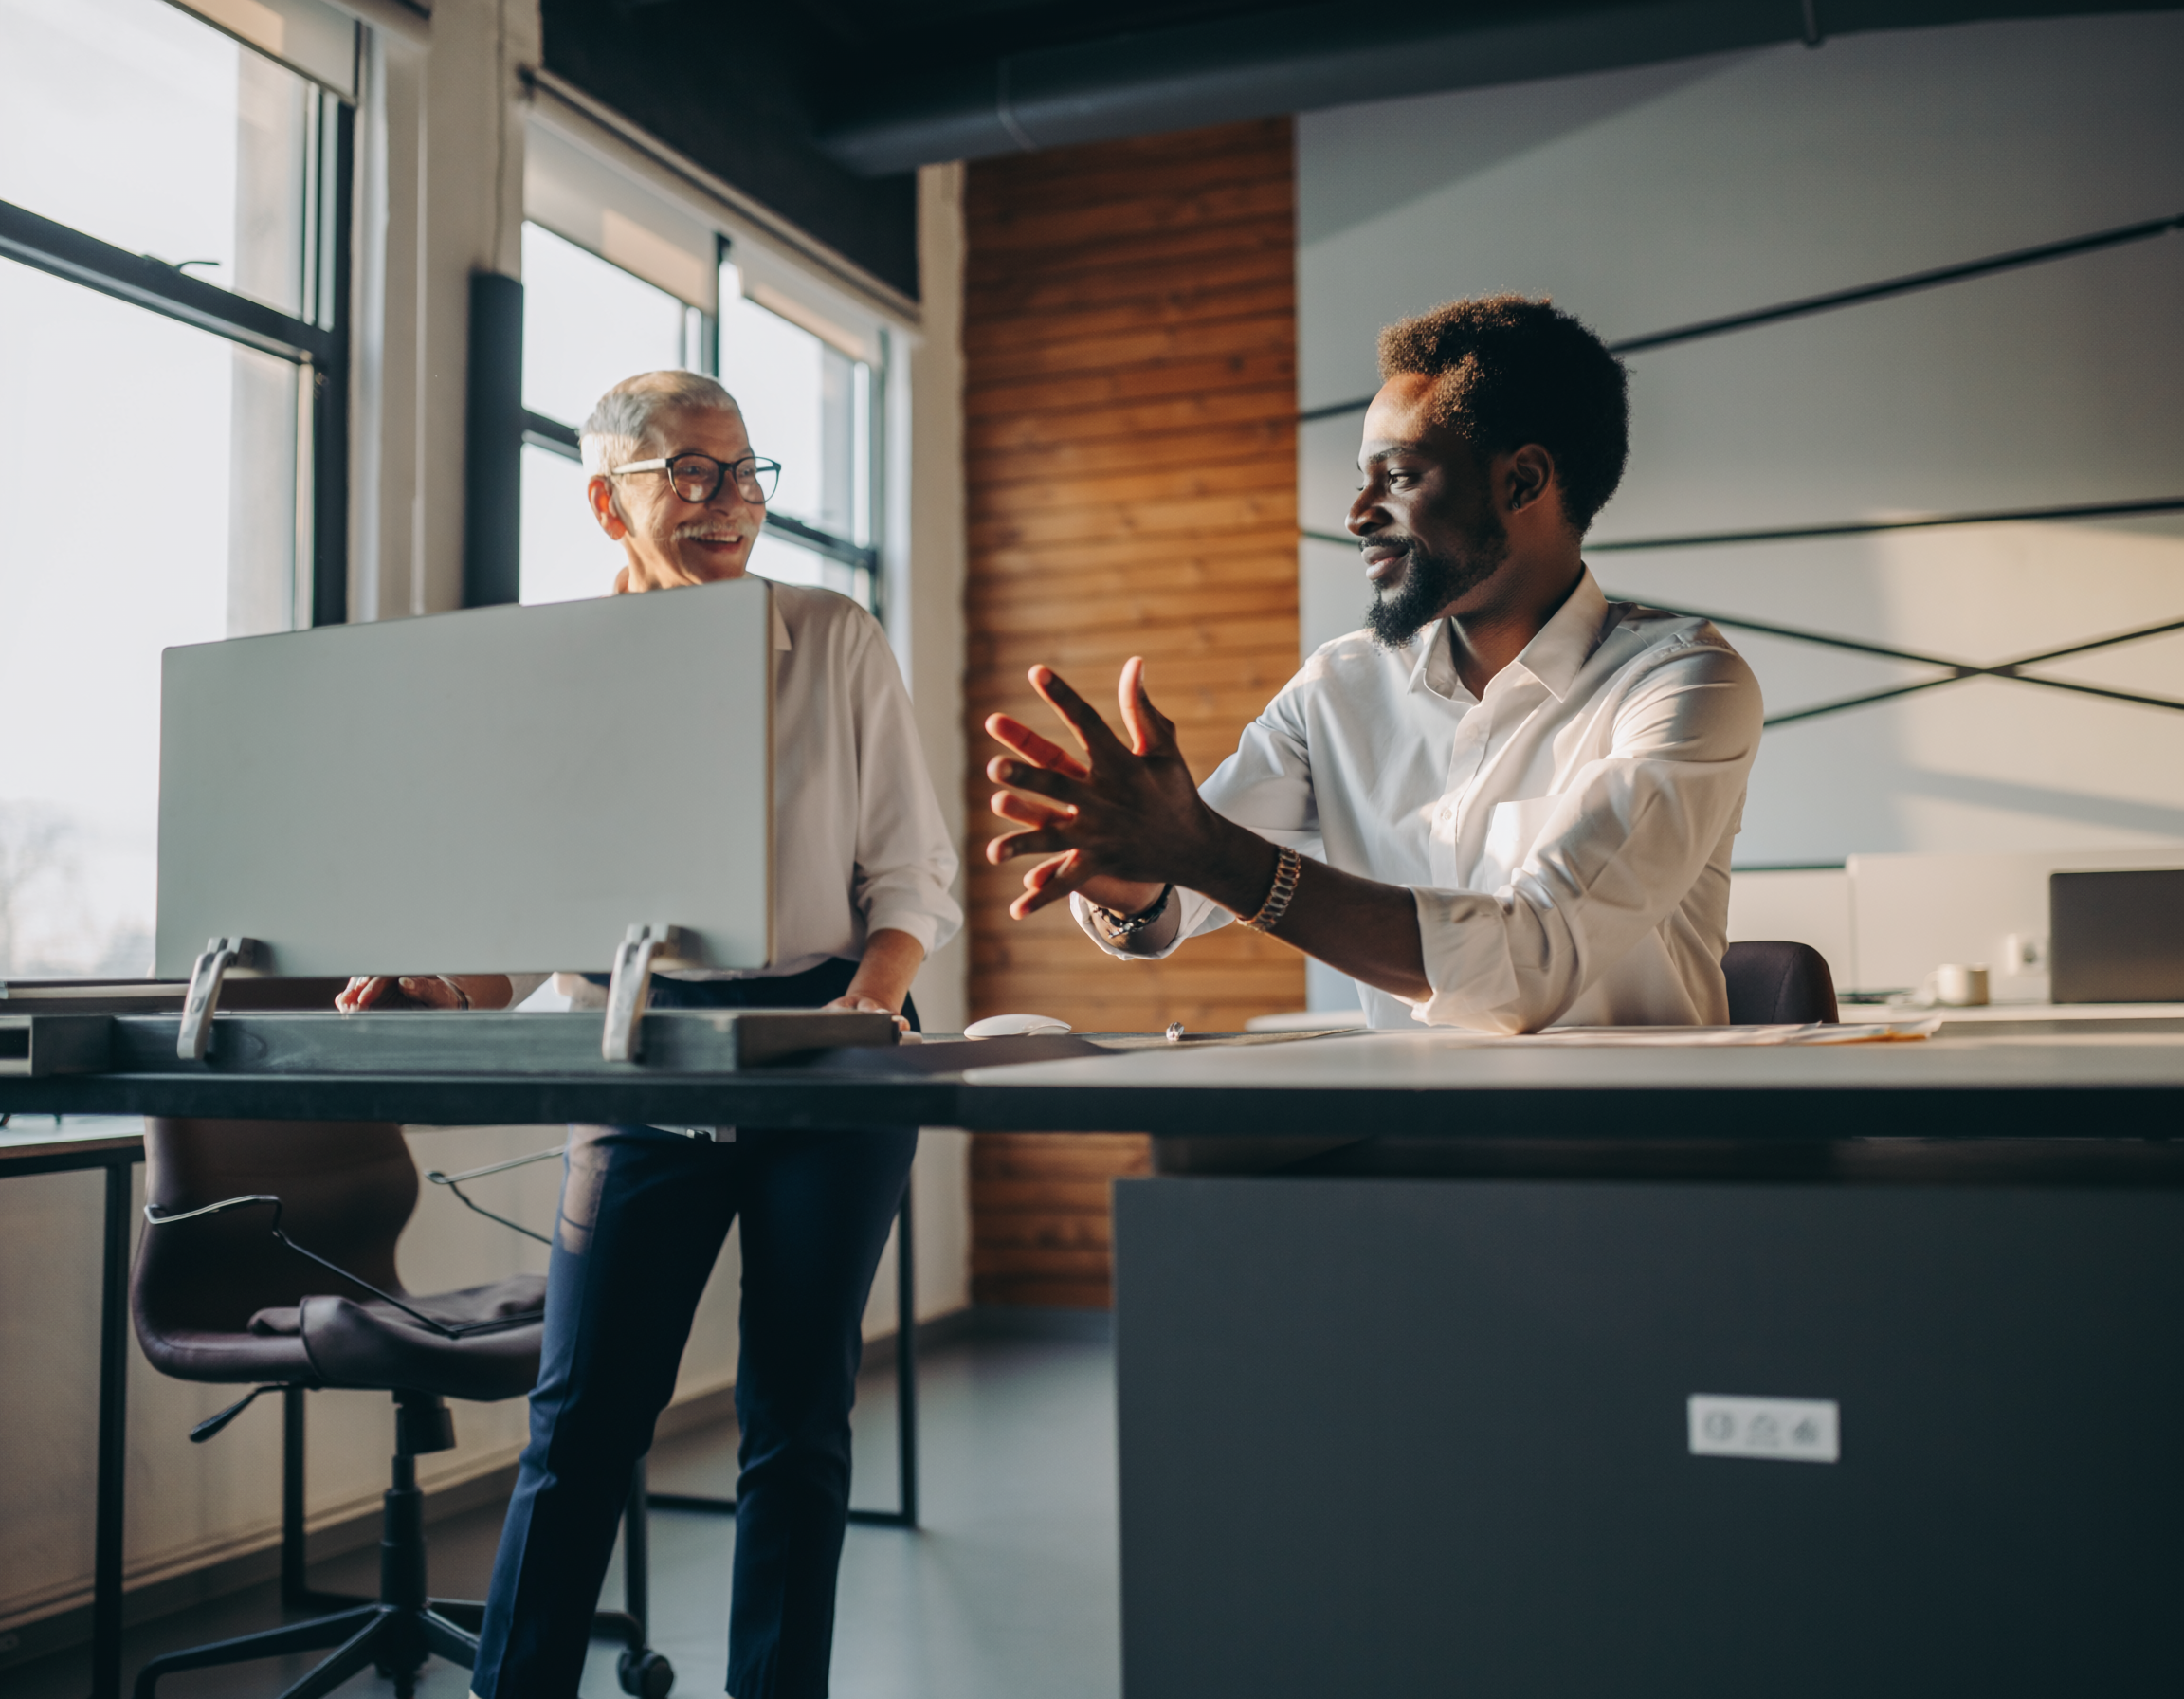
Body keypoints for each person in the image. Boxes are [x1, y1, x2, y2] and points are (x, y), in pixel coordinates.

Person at [338, 370, 960, 1698]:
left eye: (744, 472)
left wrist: (869, 999)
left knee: (795, 1422)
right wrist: (441, 990)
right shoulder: (560, 672)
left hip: (830, 1048)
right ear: (606, 501)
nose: (729, 502)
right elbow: (527, 913)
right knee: (582, 1420)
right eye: (690, 472)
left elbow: (912, 876)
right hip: (642, 1056)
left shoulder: (833, 636)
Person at [983, 295, 1762, 1035]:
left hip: (1639, 1155)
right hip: (1414, 1144)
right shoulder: (1339, 688)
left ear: (1521, 480)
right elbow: (1174, 898)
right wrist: (1132, 873)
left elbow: (1530, 961)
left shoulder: (1683, 683)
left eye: (1398, 477)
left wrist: (1215, 857)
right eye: (1362, 479)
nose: (1358, 514)